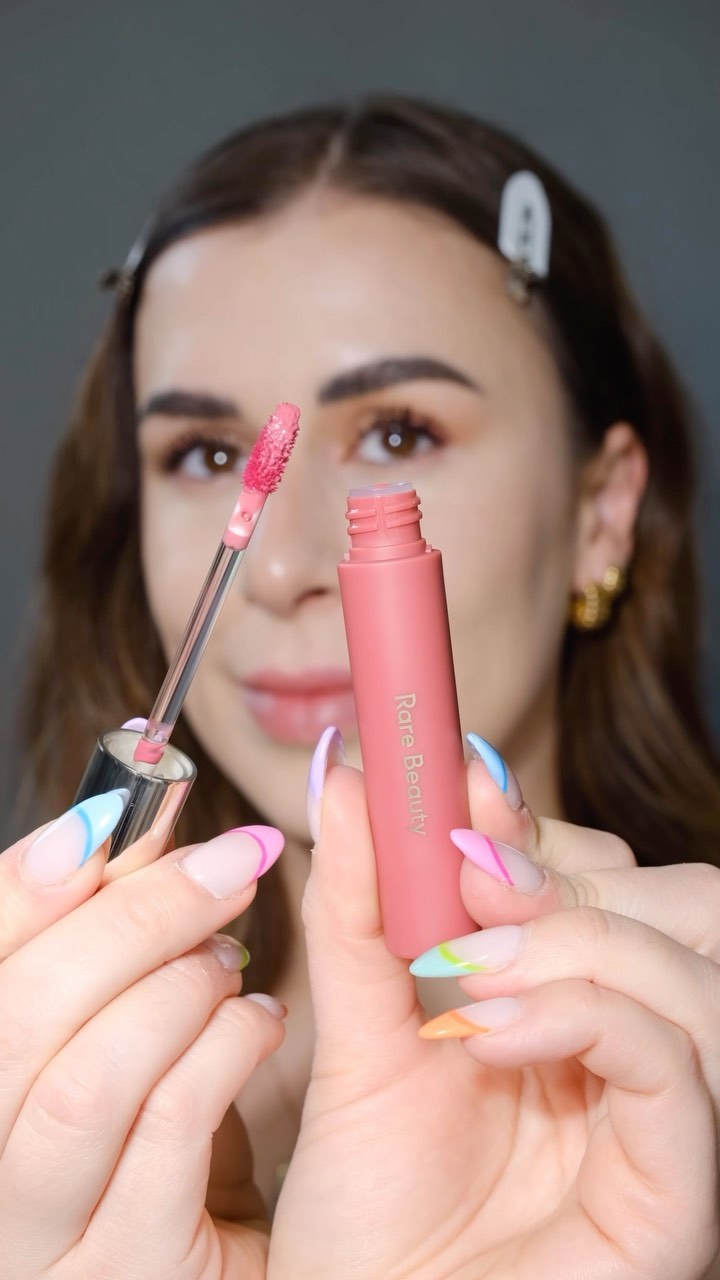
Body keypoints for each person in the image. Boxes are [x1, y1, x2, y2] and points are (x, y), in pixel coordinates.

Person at [2, 95, 719, 1277]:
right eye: (203, 453)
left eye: (398, 433)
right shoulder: (56, 1133)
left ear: (604, 510)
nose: (284, 569)